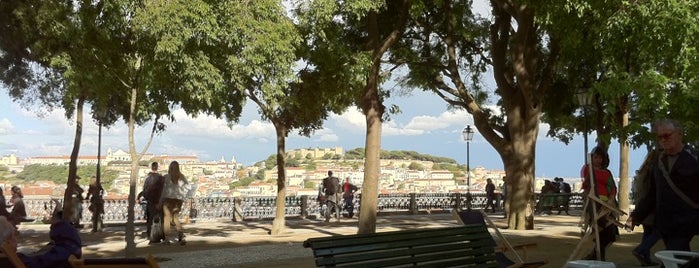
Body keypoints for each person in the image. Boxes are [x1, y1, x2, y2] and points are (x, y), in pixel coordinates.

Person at [627, 119, 699, 252]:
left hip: (686, 223)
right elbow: (653, 194)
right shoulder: (659, 162)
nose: (663, 140)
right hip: (664, 223)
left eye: (667, 135)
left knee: (675, 258)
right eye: (660, 137)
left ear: (679, 134)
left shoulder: (694, 158)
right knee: (675, 260)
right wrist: (636, 217)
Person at [581, 146, 619, 261]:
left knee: (611, 234)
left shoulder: (607, 172)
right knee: (600, 231)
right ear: (592, 158)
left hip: (608, 204)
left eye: (600, 158)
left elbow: (612, 187)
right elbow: (586, 185)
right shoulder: (588, 169)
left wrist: (611, 198)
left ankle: (594, 255)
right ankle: (599, 258)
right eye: (596, 157)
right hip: (594, 203)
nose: (598, 160)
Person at [18, 211, 82, 268]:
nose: (16, 238)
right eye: (13, 236)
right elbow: (69, 249)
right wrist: (60, 225)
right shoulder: (71, 247)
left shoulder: (19, 259)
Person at [160, 161, 188, 245]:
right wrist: (182, 199)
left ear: (170, 168)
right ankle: (180, 234)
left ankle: (167, 239)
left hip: (168, 200)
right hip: (178, 201)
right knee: (175, 218)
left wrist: (160, 201)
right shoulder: (182, 177)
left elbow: (163, 191)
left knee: (167, 219)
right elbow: (186, 189)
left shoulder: (166, 177)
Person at [137, 162, 164, 242]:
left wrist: (145, 197)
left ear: (152, 168)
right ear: (157, 168)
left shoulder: (148, 179)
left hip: (151, 201)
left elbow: (145, 190)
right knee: (159, 218)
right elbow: (164, 190)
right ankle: (159, 235)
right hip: (159, 201)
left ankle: (150, 235)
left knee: (150, 219)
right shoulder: (161, 178)